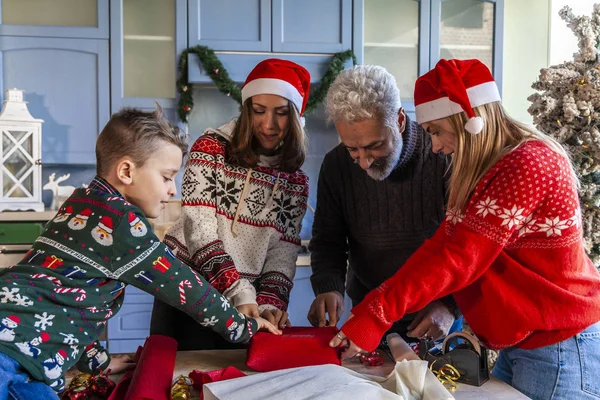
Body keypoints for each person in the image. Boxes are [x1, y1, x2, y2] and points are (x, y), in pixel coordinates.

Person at [330, 59, 600, 400]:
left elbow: (460, 259)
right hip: (527, 345)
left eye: (436, 131)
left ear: (470, 119)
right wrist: (370, 311)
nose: (437, 146)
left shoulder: (529, 163)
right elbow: (439, 247)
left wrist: (378, 314)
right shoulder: (490, 171)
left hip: (558, 347)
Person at [0, 106, 280, 399]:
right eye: (167, 176)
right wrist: (243, 327)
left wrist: (100, 362)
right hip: (12, 360)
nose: (173, 190)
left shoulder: (79, 204)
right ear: (126, 172)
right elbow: (187, 287)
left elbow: (68, 303)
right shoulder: (123, 224)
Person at [151, 59, 310, 350]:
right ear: (247, 108)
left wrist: (270, 303)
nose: (268, 124)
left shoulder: (294, 181)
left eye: (282, 113)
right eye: (259, 111)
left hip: (245, 302)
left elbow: (283, 251)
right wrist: (239, 292)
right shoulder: (210, 148)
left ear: (296, 116)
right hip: (188, 288)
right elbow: (199, 229)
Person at [307, 65, 461, 345]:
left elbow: (469, 248)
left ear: (400, 120)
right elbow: (328, 239)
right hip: (368, 308)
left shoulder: (443, 155)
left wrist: (450, 305)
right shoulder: (336, 165)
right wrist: (329, 288)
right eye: (353, 149)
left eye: (375, 146)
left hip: (433, 313)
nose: (364, 162)